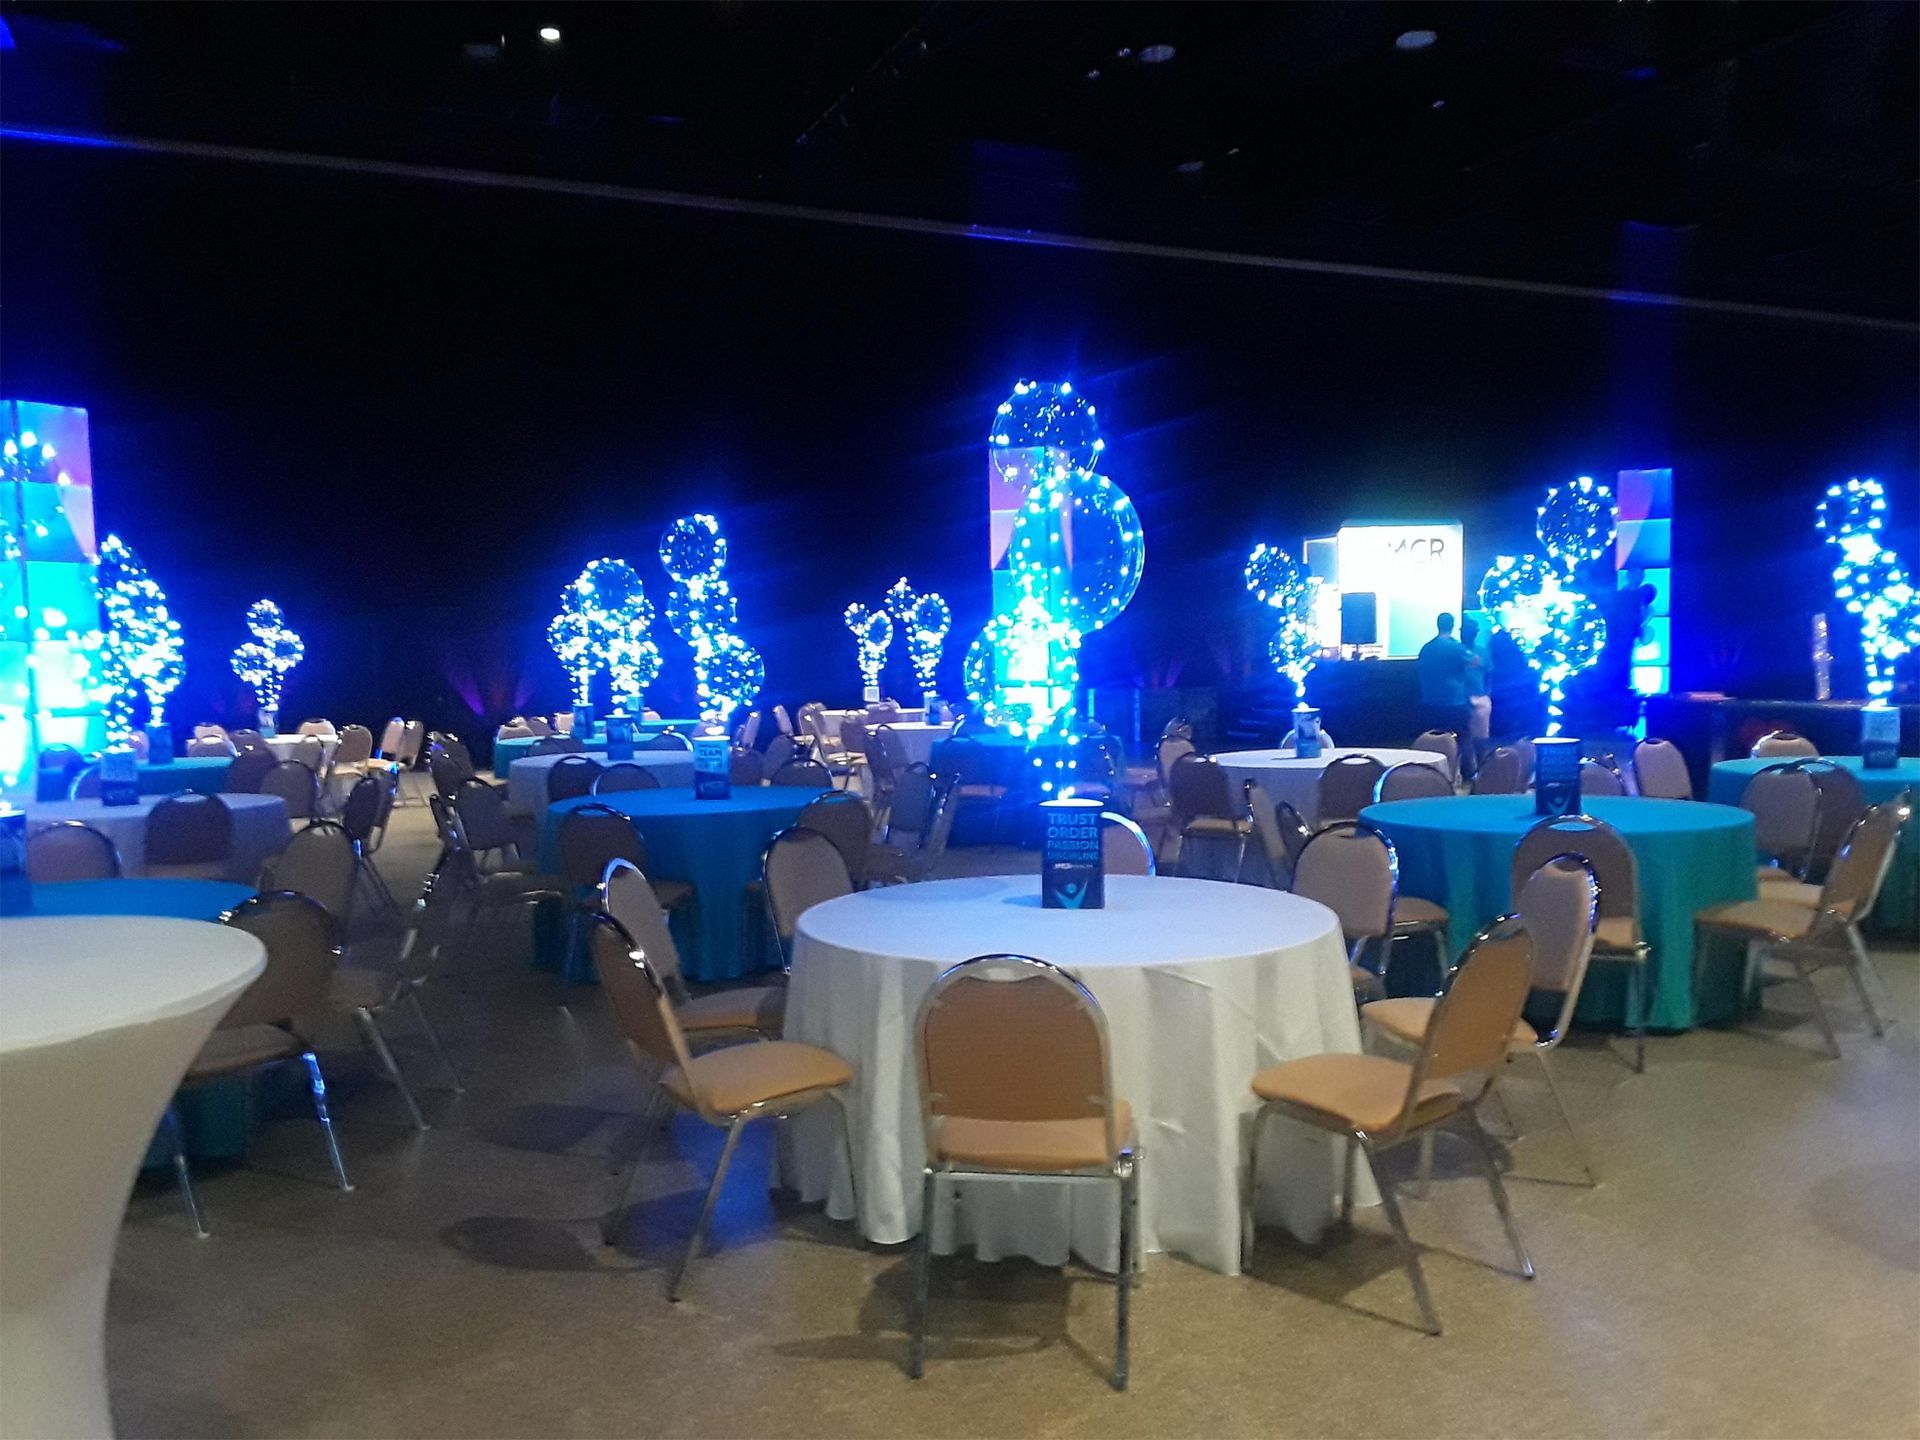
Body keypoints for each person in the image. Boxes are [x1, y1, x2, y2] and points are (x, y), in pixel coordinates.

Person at [1415, 613, 1474, 756]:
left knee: (1432, 739)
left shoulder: (1426, 648)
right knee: (1463, 737)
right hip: (1454, 701)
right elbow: (1475, 662)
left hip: (1431, 700)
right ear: (1453, 626)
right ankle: (1468, 772)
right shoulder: (1456, 647)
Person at [1460, 614, 1492, 777]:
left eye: (1474, 631)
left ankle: (1484, 771)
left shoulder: (1482, 651)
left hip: (1480, 697)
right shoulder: (1456, 650)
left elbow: (1489, 674)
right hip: (1460, 699)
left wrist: (1487, 695)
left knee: (1481, 738)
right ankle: (1468, 773)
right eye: (1468, 631)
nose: (1471, 633)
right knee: (1465, 737)